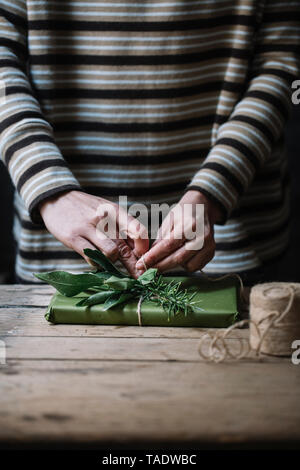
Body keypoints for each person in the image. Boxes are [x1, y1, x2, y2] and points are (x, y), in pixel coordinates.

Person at [0, 0, 299, 283]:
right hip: (63, 248)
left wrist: (213, 192)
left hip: (233, 241)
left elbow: (281, 64)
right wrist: (51, 190)